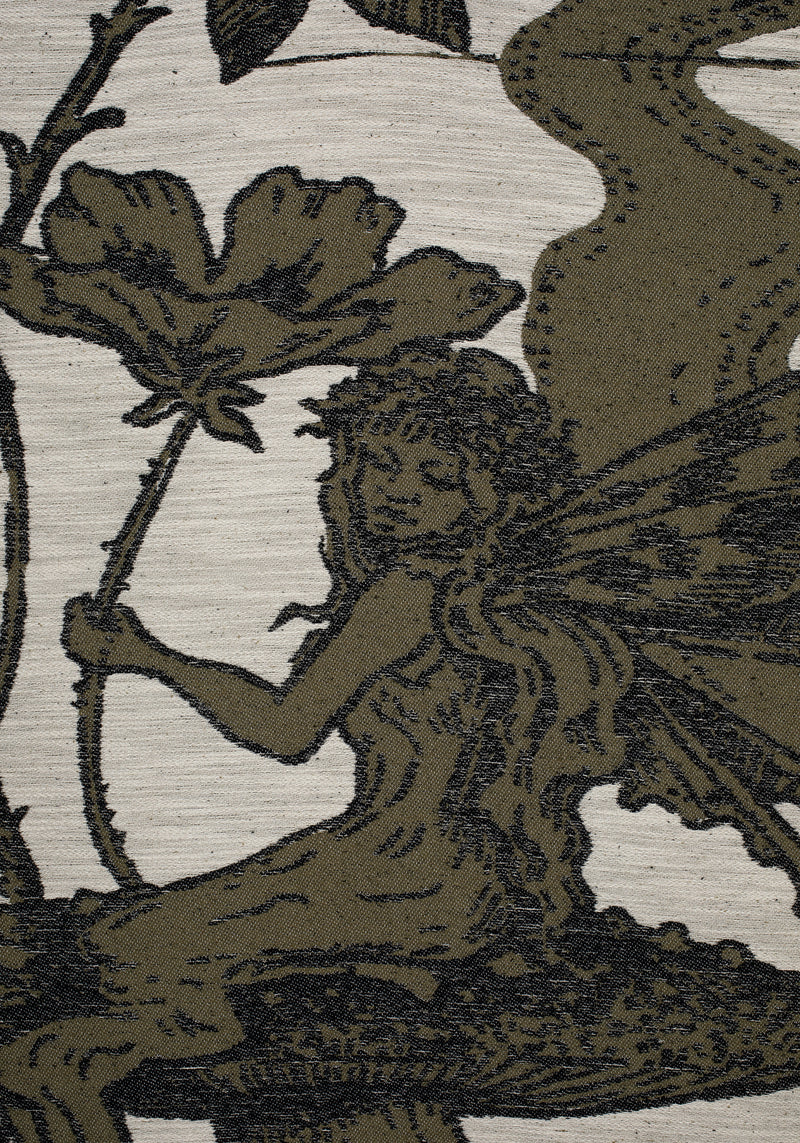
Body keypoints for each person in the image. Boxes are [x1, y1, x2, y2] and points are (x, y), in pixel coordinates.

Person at [0, 346, 624, 1141]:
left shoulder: (410, 591)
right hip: (447, 870)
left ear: (490, 494)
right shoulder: (479, 595)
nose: (398, 491)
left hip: (403, 874)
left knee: (100, 987)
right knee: (121, 948)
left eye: (436, 477)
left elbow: (286, 728)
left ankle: (177, 1036)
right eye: (382, 463)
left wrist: (146, 655)